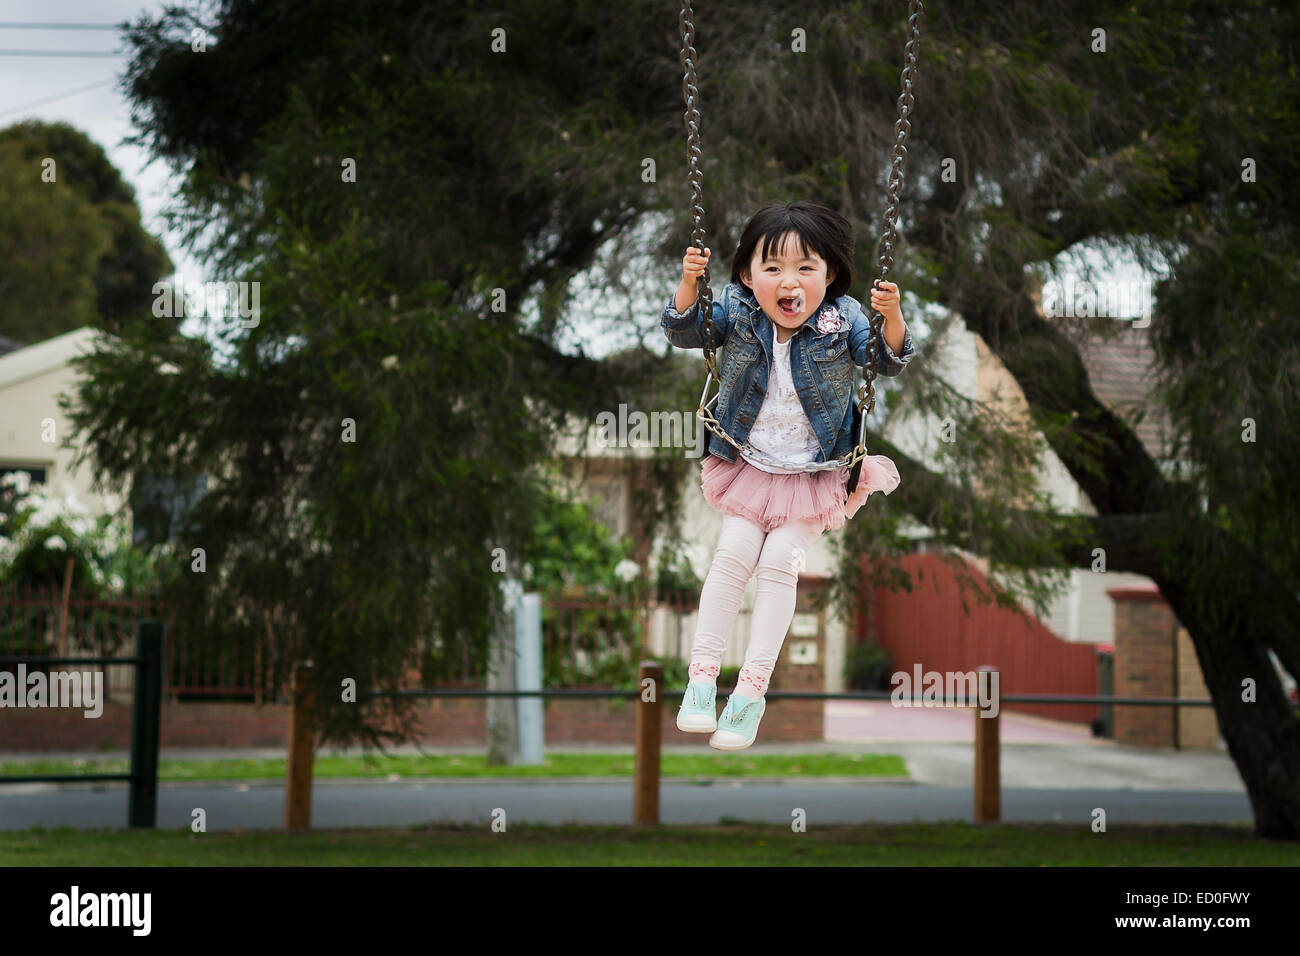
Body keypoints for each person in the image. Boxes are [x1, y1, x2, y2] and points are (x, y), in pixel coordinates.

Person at [661, 200, 916, 749]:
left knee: (779, 564)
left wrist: (890, 315)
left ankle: (750, 695)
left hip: (815, 475)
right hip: (748, 466)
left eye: (806, 267)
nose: (788, 281)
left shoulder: (843, 317)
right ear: (748, 276)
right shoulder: (737, 306)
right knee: (731, 556)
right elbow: (686, 331)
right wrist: (689, 283)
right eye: (772, 267)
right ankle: (701, 682)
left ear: (830, 275)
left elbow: (884, 361)